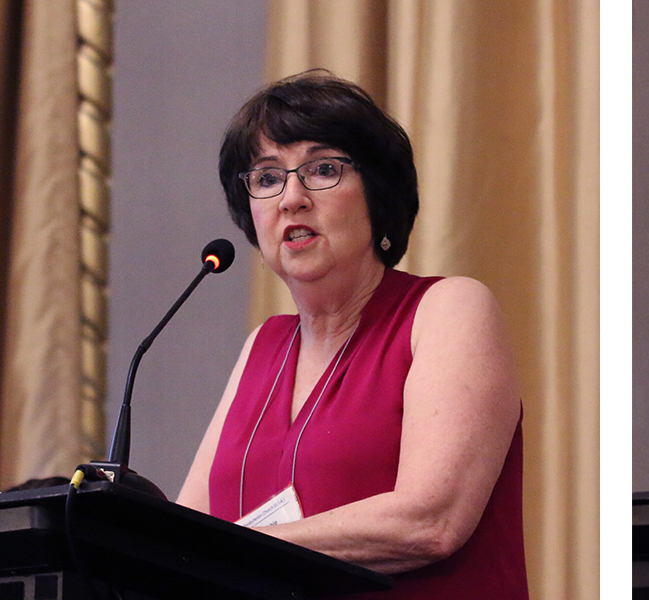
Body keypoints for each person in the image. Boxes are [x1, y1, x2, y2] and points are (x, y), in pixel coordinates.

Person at [176, 71, 528, 599]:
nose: (291, 198)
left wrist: (235, 549)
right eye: (268, 178)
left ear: (377, 194)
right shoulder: (262, 348)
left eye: (322, 169)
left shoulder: (446, 309)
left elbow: (431, 520)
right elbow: (178, 543)